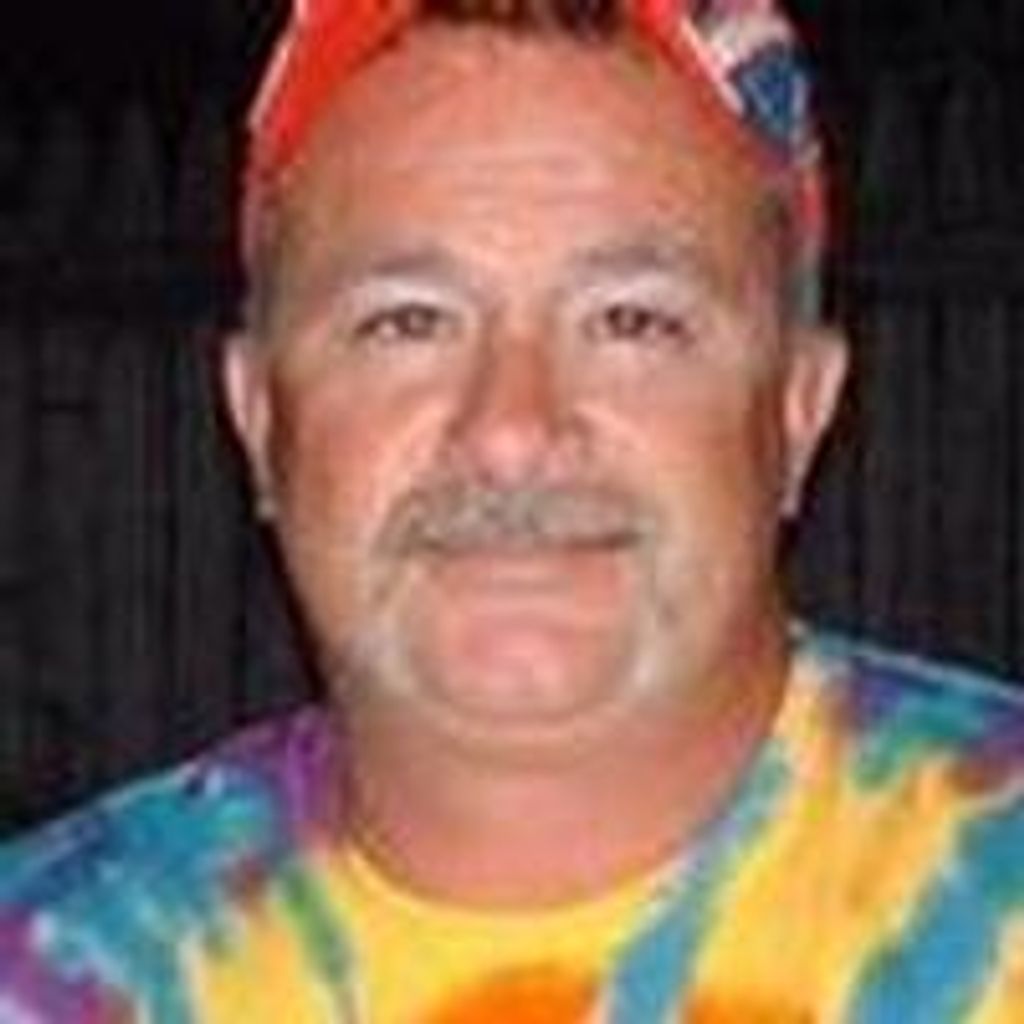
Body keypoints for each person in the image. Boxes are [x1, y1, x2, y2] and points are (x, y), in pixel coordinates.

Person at [1, 0, 1022, 1020]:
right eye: (408, 322)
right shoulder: (50, 971)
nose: (511, 431)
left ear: (798, 411)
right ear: (261, 419)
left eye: (631, 321)